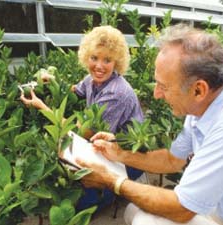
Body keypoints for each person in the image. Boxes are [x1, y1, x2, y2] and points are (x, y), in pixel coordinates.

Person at [76, 23, 223, 225]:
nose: (156, 94)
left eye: (163, 86)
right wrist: (119, 154)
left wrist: (111, 181)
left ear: (198, 90)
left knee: (144, 220)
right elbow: (172, 160)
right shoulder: (204, 109)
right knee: (132, 212)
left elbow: (182, 208)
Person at [20, 26, 144, 210]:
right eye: (94, 58)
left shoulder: (116, 93)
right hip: (106, 147)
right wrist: (51, 80)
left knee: (79, 206)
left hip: (129, 159)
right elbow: (75, 91)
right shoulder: (91, 79)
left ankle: (109, 193)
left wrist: (41, 107)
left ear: (117, 62)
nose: (99, 66)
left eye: (107, 60)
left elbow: (84, 132)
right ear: (87, 56)